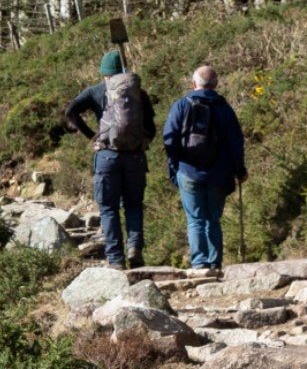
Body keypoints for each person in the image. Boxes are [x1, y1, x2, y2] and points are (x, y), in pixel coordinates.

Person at [63, 49, 155, 268]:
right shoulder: (138, 93)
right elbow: (151, 126)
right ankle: (134, 247)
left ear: (104, 72)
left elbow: (70, 112)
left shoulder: (96, 91)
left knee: (108, 209)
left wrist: (92, 136)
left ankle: (115, 259)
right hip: (134, 158)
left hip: (106, 156)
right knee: (133, 205)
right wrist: (142, 142)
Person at [161, 64, 248, 271]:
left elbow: (169, 138)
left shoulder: (182, 105)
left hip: (188, 171)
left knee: (195, 220)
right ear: (216, 84)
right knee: (213, 219)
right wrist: (240, 170)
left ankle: (200, 263)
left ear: (193, 84)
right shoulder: (224, 108)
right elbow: (236, 143)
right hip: (219, 174)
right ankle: (215, 262)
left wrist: (174, 167)